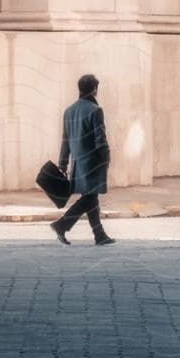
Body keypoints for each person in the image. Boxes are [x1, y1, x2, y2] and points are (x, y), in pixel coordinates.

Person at [52, 74, 115, 246]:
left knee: (91, 198)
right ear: (95, 89)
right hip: (93, 163)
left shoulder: (69, 111)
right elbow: (100, 140)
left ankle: (99, 235)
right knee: (88, 199)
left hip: (78, 164)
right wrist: (106, 159)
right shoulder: (95, 110)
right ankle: (61, 225)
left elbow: (65, 141)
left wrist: (62, 164)